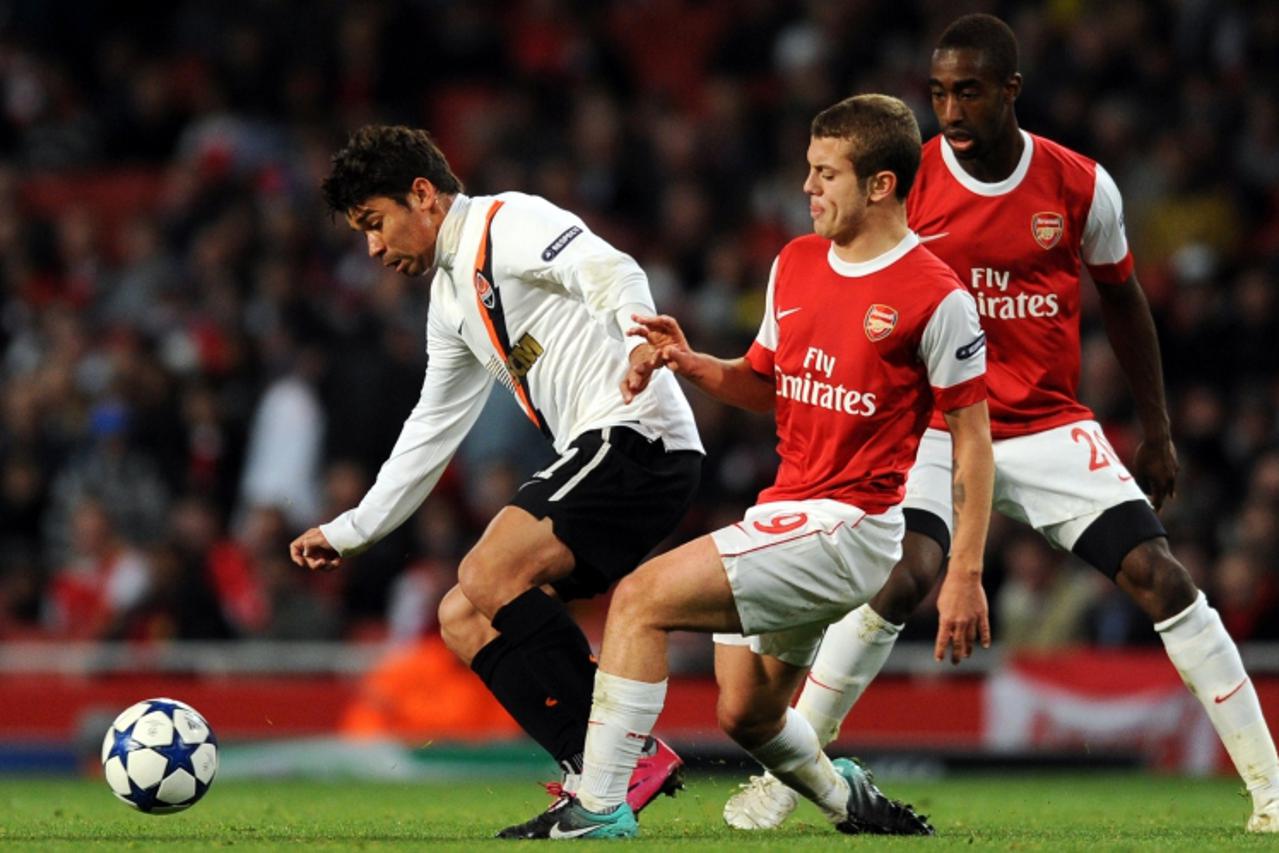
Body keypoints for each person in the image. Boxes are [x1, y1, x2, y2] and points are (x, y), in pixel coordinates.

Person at [721, 14, 1279, 835]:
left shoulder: (1079, 184)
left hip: (1045, 422)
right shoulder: (907, 186)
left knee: (1161, 576)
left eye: (969, 92)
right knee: (900, 576)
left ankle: (1269, 790)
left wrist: (1155, 429)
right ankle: (792, 773)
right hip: (936, 424)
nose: (949, 110)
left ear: (1009, 91)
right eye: (939, 92)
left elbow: (1123, 299)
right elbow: (849, 288)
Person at [503, 93, 993, 840]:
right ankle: (849, 801)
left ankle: (598, 804)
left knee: (638, 599)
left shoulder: (937, 298)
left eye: (826, 173)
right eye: (808, 169)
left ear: (881, 185)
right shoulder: (794, 263)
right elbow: (765, 383)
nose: (807, 187)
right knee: (749, 714)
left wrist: (963, 570)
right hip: (786, 511)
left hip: (851, 525)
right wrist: (692, 362)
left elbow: (972, 443)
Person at [288, 125, 704, 817]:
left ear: (422, 194)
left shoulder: (508, 222)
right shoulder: (449, 300)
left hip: (637, 438)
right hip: (604, 453)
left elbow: (615, 269)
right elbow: (431, 429)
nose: (372, 247)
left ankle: (621, 756)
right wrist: (351, 529)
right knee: (461, 614)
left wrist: (639, 339)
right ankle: (592, 768)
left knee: (487, 573)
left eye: (375, 222)